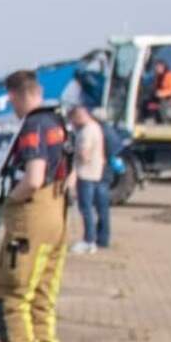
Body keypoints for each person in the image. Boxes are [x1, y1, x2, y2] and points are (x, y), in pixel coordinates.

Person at [0, 71, 75, 342]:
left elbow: (34, 178)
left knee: (13, 293)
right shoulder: (58, 122)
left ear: (14, 95)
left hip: (33, 215)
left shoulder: (34, 126)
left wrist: (8, 201)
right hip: (58, 212)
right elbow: (72, 174)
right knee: (43, 294)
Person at [69, 99, 112, 252]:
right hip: (97, 172)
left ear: (78, 116)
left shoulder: (86, 131)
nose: (72, 123)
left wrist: (75, 158)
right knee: (101, 208)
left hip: (86, 173)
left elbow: (84, 154)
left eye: (73, 119)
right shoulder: (97, 127)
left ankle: (89, 240)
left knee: (86, 208)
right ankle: (102, 239)